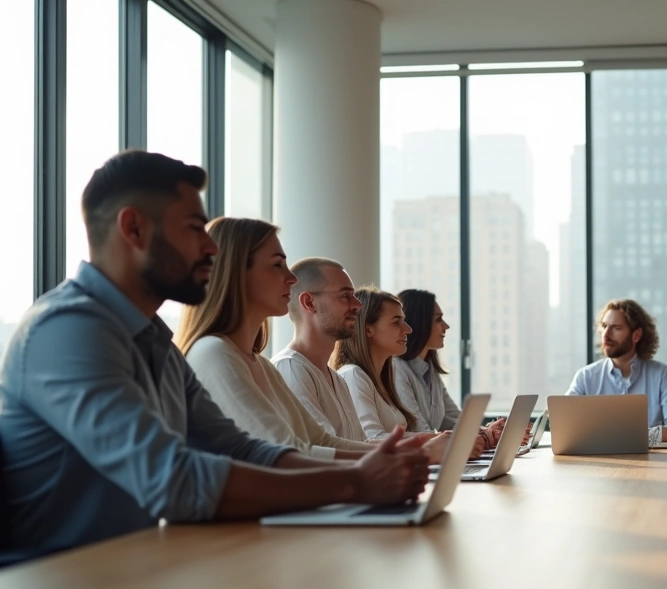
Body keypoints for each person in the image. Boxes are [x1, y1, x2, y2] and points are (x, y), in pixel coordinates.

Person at [0, 151, 427, 552]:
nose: (210, 248)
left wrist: (364, 473)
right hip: (58, 588)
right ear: (133, 229)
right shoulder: (68, 331)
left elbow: (241, 449)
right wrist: (355, 484)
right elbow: (172, 480)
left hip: (129, 574)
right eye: (193, 229)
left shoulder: (155, 341)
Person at [177, 218, 373, 460]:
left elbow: (320, 440)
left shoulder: (261, 365)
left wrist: (402, 453)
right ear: (237, 273)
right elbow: (282, 453)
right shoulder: (214, 353)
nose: (291, 278)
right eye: (277, 265)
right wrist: (385, 461)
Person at [333, 288, 476, 463]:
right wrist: (442, 441)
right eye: (396, 322)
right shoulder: (354, 375)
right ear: (368, 330)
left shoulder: (382, 378)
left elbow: (399, 436)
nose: (408, 329)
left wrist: (455, 438)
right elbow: (372, 439)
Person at [393, 289, 521, 447]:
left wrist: (490, 432)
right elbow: (420, 432)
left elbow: (454, 421)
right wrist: (484, 435)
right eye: (438, 319)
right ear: (419, 323)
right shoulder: (397, 369)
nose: (446, 326)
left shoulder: (429, 370)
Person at [271, 257, 368, 442]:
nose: (357, 304)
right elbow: (323, 446)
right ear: (309, 302)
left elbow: (359, 444)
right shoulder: (290, 368)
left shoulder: (337, 380)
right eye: (345, 296)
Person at [568, 299, 667, 443]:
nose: (606, 334)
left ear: (636, 335)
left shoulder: (661, 375)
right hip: (598, 457)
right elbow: (565, 425)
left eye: (616, 328)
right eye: (604, 326)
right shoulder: (585, 377)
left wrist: (641, 437)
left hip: (649, 457)